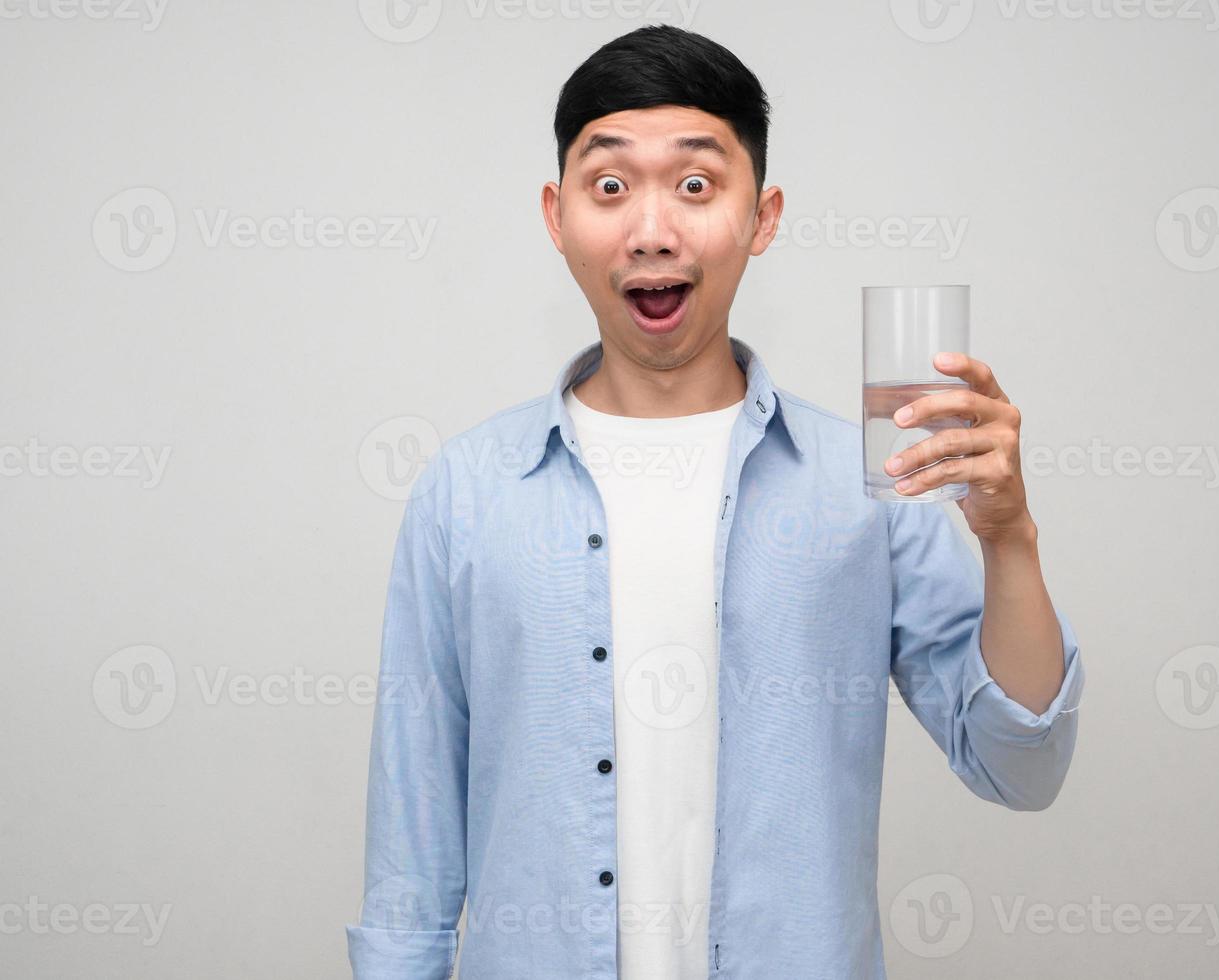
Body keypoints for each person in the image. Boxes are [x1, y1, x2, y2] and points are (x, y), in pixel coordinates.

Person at [346, 24, 1085, 980]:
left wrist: (1009, 539)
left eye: (696, 184)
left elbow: (1021, 767)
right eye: (608, 186)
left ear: (763, 216)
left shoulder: (868, 483)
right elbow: (413, 842)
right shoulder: (468, 491)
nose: (651, 230)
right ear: (555, 214)